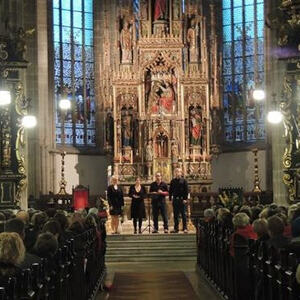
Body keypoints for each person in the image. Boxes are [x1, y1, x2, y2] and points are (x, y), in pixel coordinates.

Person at [169, 168, 189, 233]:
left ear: (181, 173)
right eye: (176, 172)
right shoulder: (173, 181)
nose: (177, 173)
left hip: (182, 199)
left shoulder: (184, 181)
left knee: (183, 214)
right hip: (175, 199)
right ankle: (176, 228)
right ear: (175, 173)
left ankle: (185, 228)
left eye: (179, 172)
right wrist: (170, 199)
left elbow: (186, 190)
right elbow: (170, 190)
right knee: (176, 215)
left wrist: (185, 199)